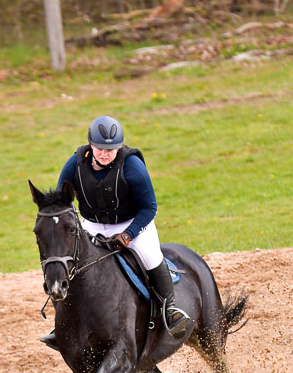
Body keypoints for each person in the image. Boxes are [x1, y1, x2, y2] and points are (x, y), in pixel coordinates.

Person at [41, 115, 190, 349]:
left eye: (111, 149)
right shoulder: (74, 165)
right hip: (91, 224)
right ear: (91, 145)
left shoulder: (132, 167)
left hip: (131, 223)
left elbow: (149, 207)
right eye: (100, 148)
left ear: (119, 147)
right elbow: (62, 201)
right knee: (71, 265)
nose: (105, 153)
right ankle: (63, 324)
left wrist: (128, 235)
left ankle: (170, 311)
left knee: (151, 257)